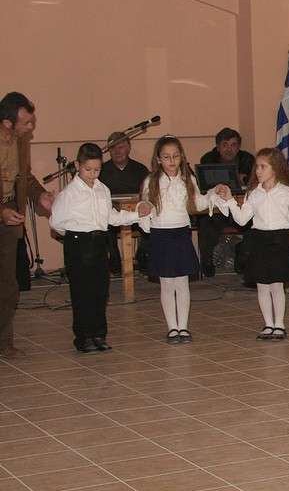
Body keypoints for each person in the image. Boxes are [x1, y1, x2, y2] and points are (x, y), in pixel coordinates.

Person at [212, 149, 289, 340]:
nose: (258, 171)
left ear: (276, 168)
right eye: (257, 167)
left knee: (277, 285)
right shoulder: (253, 194)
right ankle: (268, 324)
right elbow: (242, 220)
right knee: (262, 285)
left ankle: (279, 324)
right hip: (259, 240)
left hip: (279, 240)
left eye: (263, 167)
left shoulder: (288, 193)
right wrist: (230, 200)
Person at [50, 143, 149, 352]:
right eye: (88, 169)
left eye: (97, 170)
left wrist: (136, 215)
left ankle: (98, 334)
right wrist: (76, 234)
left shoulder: (103, 189)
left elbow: (111, 217)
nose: (93, 174)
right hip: (78, 242)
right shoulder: (69, 193)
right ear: (78, 165)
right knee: (82, 292)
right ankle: (83, 337)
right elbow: (56, 223)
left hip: (99, 242)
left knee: (100, 290)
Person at [140, 136, 211, 345]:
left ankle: (183, 326)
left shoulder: (188, 179)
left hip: (181, 233)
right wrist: (144, 210)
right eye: (166, 157)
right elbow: (146, 204)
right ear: (158, 159)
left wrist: (214, 195)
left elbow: (198, 203)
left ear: (182, 157)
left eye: (175, 156)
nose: (171, 161)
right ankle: (172, 327)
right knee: (167, 283)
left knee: (182, 282)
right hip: (161, 234)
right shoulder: (151, 181)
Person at [0, 92, 54, 357]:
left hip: (10, 217)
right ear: (7, 123)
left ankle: (4, 343)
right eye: (26, 123)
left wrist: (40, 195)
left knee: (7, 284)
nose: (31, 127)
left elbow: (26, 177)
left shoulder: (20, 141)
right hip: (3, 212)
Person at [197, 127, 255, 278]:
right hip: (218, 209)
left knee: (255, 223)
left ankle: (242, 257)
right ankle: (207, 261)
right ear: (218, 147)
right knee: (205, 223)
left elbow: (255, 185)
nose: (229, 149)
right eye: (225, 145)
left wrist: (245, 180)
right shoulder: (208, 159)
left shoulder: (248, 160)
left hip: (240, 207)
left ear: (239, 147)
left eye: (233, 145)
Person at [99, 131, 150, 276]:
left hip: (136, 216)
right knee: (103, 224)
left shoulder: (140, 169)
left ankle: (142, 258)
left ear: (129, 148)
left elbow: (148, 193)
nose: (117, 151)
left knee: (151, 222)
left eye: (120, 147)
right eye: (113, 148)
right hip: (112, 218)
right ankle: (114, 261)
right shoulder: (101, 171)